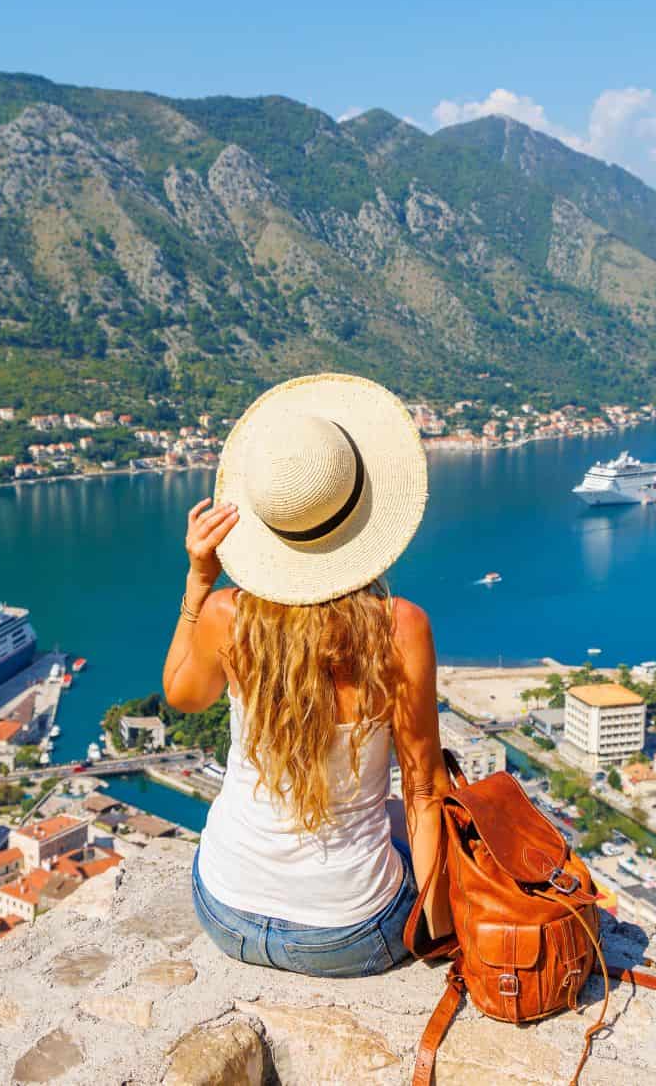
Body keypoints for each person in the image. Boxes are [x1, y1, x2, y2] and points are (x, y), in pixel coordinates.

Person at [162, 373, 452, 978]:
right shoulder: (398, 628)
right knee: (405, 815)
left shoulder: (227, 615)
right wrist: (442, 934)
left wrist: (197, 580)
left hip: (224, 910)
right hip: (348, 935)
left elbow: (180, 696)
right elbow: (425, 791)